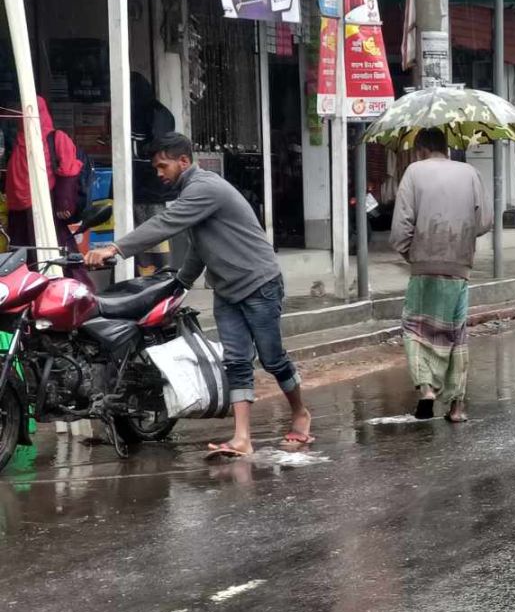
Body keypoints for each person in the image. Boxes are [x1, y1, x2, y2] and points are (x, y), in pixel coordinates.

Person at [85, 133, 311, 458]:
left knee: (273, 359)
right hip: (226, 288)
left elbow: (166, 224)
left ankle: (301, 413)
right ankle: (242, 438)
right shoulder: (191, 193)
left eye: (163, 166)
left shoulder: (205, 188)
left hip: (259, 283)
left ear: (184, 161)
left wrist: (116, 248)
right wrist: (180, 284)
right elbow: (199, 246)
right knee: (235, 361)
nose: (159, 173)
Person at [389, 127, 492, 423]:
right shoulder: (469, 172)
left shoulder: (413, 171)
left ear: (420, 149)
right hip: (459, 267)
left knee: (416, 328)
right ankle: (457, 407)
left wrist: (407, 251)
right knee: (456, 334)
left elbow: (401, 226)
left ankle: (426, 389)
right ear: (445, 148)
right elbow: (483, 221)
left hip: (423, 266)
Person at [4, 98, 85, 275]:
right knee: (24, 258)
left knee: (56, 252)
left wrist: (63, 203)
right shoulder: (19, 142)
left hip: (47, 205)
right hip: (19, 211)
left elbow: (69, 169)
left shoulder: (56, 138)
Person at [130, 72, 178, 275]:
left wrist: (143, 153)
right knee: (145, 231)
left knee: (154, 231)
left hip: (151, 186)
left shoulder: (155, 113)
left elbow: (161, 146)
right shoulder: (135, 111)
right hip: (140, 185)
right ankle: (148, 273)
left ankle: (159, 274)